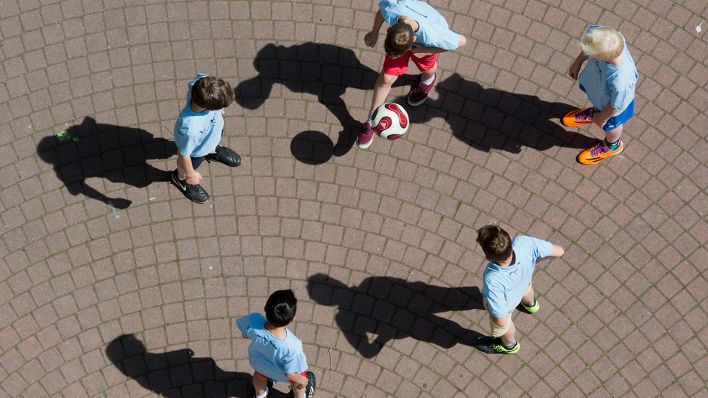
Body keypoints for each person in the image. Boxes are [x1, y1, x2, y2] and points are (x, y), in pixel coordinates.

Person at [357, 0, 467, 149]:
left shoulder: (434, 36)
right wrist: (374, 32)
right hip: (406, 39)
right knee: (386, 78)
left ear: (413, 40)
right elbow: (382, 12)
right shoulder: (393, 11)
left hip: (426, 45)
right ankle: (372, 120)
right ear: (390, 30)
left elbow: (461, 41)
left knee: (427, 67)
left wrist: (423, 50)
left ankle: (428, 79)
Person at [474, 225, 564, 354]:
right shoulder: (524, 242)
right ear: (510, 238)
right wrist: (536, 260)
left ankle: (509, 345)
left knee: (505, 326)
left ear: (488, 257)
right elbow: (560, 251)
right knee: (527, 290)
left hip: (508, 303)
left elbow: (502, 320)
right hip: (524, 281)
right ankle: (531, 306)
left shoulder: (492, 279)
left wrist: (492, 314)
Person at [564, 25, 638, 165]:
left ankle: (612, 145)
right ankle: (595, 112)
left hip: (613, 108)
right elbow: (588, 46)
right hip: (600, 92)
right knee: (600, 106)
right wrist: (577, 62)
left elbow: (616, 106)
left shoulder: (621, 81)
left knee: (612, 126)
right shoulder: (602, 35)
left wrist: (602, 117)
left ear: (601, 57)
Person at [172, 73, 242, 203]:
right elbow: (183, 154)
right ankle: (179, 178)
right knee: (189, 163)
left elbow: (197, 80)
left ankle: (211, 150)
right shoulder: (191, 130)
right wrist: (191, 175)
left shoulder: (201, 84)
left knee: (209, 142)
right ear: (207, 109)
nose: (222, 109)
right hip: (196, 151)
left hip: (208, 137)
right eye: (221, 107)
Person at [236, 290, 316, 398]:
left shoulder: (253, 320)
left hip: (260, 364)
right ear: (292, 319)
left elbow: (245, 334)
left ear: (265, 308)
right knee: (299, 382)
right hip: (282, 372)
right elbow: (291, 373)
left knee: (259, 376)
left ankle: (260, 395)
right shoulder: (293, 347)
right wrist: (303, 380)